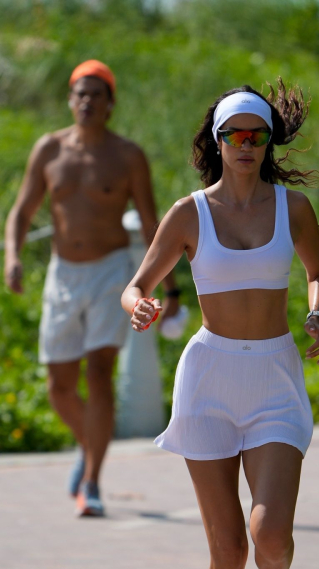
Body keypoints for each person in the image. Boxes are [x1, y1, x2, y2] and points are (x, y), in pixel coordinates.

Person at [121, 81, 319, 569]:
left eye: (256, 135)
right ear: (216, 143)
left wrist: (318, 312)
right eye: (233, 135)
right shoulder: (189, 213)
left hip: (273, 377)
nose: (245, 145)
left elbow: (317, 271)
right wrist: (142, 308)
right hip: (209, 378)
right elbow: (137, 285)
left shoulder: (291, 208)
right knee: (226, 548)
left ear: (268, 142)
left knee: (269, 534)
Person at [4, 60, 180, 517]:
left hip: (110, 273)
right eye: (79, 94)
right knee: (59, 387)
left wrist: (172, 286)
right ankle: (90, 446)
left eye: (95, 95)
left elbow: (151, 223)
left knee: (99, 372)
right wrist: (13, 256)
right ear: (70, 100)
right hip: (64, 273)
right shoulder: (49, 149)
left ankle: (93, 481)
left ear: (110, 104)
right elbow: (22, 212)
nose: (86, 102)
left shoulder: (127, 156)